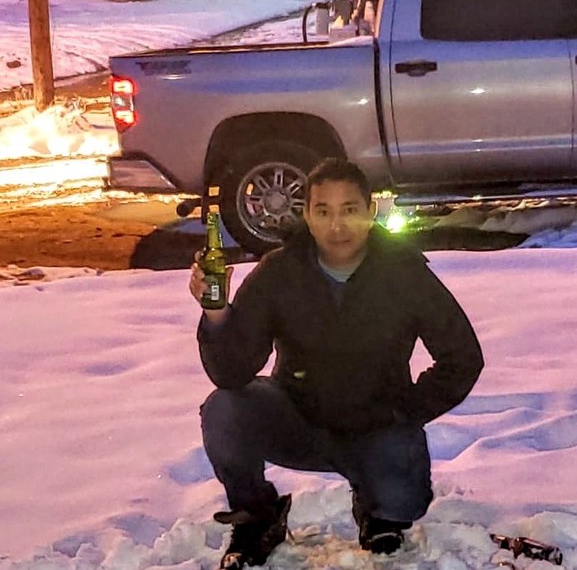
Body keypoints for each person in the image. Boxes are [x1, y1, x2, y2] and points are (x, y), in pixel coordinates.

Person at [189, 158, 484, 569]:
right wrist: (217, 314)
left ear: (370, 211)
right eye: (323, 211)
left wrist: (405, 411)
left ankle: (377, 510)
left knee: (404, 502)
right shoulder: (280, 272)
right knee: (223, 409)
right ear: (307, 216)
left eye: (349, 209)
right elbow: (232, 373)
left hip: (375, 426)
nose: (337, 225)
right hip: (297, 419)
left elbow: (463, 357)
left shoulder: (403, 272)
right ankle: (258, 515)